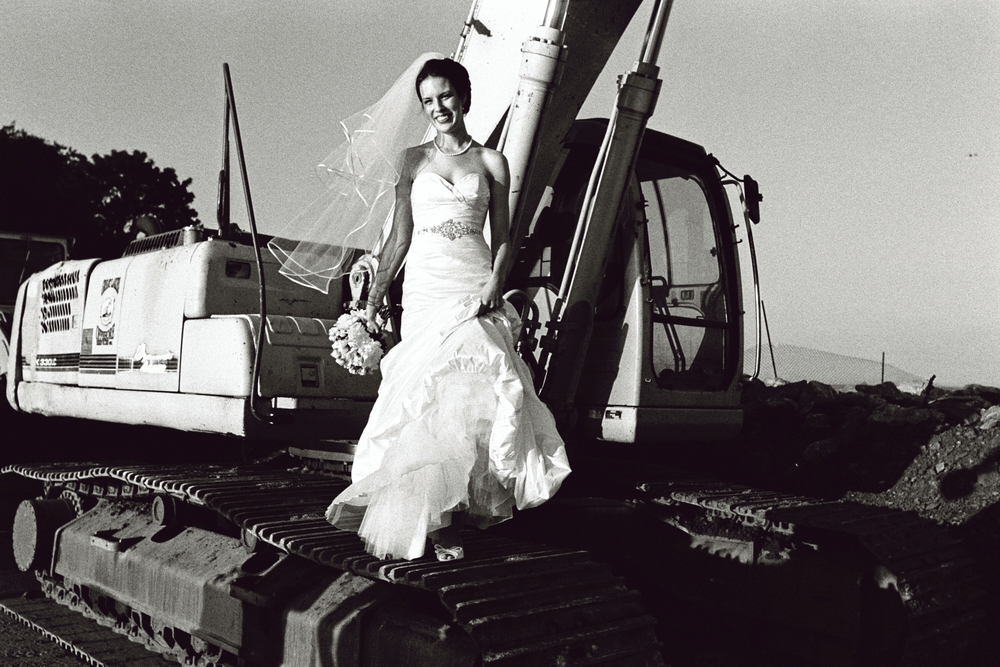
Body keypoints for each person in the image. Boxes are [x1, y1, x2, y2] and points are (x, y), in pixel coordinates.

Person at [323, 57, 571, 562]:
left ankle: (454, 513)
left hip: (472, 284)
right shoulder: (412, 160)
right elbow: (400, 238)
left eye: (446, 96)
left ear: (464, 97)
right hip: (426, 291)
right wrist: (373, 299)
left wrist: (495, 280)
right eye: (428, 101)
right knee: (425, 403)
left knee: (471, 394)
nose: (438, 107)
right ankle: (433, 523)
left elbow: (505, 237)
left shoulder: (493, 162)